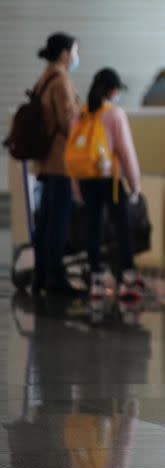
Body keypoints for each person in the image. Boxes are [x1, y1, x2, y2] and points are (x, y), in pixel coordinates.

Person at [78, 68, 145, 301]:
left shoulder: (82, 114)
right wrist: (135, 183)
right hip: (110, 180)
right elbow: (125, 152)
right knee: (122, 226)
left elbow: (75, 153)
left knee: (93, 226)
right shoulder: (115, 114)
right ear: (114, 90)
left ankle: (96, 278)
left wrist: (76, 189)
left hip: (86, 179)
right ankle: (126, 276)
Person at [32, 32, 82, 296]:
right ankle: (55, 278)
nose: (76, 57)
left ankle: (41, 276)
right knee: (57, 223)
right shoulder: (60, 80)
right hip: (59, 161)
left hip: (44, 162)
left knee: (45, 222)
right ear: (64, 53)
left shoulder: (44, 77)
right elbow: (68, 121)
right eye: (75, 51)